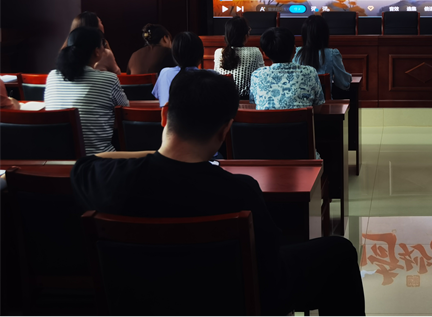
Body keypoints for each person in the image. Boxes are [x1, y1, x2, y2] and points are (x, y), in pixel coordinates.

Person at [70, 70, 365, 317]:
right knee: (338, 252)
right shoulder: (241, 191)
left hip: (141, 299)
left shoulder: (104, 179)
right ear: (226, 131)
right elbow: (269, 269)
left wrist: (156, 156)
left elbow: (86, 162)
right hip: (226, 299)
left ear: (164, 115)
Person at [45, 27, 129, 154]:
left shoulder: (52, 76)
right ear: (97, 52)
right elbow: (124, 114)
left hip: (59, 159)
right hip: (99, 159)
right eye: (103, 45)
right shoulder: (109, 79)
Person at [250, 27, 325, 110]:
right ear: (294, 50)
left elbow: (254, 103)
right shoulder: (310, 72)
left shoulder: (257, 75)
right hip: (301, 118)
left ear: (264, 55)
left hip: (265, 119)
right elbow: (318, 107)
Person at [294, 14, 351, 91]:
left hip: (298, 98)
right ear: (325, 34)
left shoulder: (295, 53)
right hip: (323, 99)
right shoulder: (332, 54)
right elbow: (344, 83)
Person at [152, 31, 208, 107]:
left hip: (168, 114)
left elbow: (160, 99)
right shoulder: (210, 77)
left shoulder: (165, 73)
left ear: (174, 54)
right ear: (201, 55)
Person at [214, 16, 264, 98]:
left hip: (224, 100)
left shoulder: (218, 52)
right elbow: (262, 78)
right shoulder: (255, 52)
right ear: (245, 36)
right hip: (248, 100)